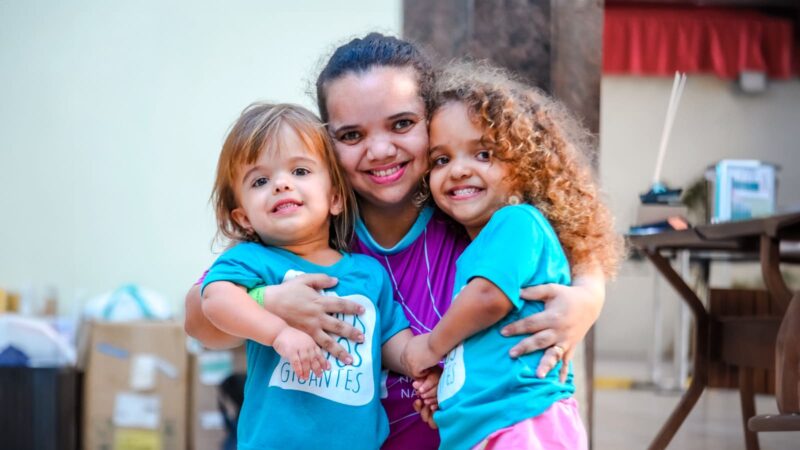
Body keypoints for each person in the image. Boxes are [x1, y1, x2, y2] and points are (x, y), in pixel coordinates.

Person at [185, 33, 610, 449]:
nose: (381, 149)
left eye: (402, 124)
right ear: (327, 146)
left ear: (432, 122)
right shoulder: (307, 226)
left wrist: (588, 299)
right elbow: (201, 320)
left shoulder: (472, 213)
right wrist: (267, 303)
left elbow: (574, 243)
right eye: (352, 135)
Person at [402, 62, 623, 449]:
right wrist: (450, 388)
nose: (458, 170)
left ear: (523, 165)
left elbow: (489, 299)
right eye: (441, 160)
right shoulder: (478, 246)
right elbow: (485, 348)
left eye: (483, 154)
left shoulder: (516, 222)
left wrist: (430, 347)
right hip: (493, 425)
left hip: (522, 423)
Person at [200, 102, 438, 450]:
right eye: (261, 180)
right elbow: (215, 300)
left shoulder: (369, 272)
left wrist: (425, 369)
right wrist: (278, 332)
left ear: (336, 198)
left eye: (300, 171)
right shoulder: (252, 261)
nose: (281, 185)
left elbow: (393, 343)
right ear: (243, 218)